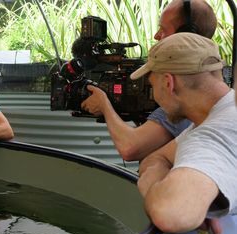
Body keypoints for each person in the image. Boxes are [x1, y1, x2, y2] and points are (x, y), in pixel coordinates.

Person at [131, 32, 237, 234]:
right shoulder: (218, 115)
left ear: (168, 83)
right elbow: (157, 158)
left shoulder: (212, 135)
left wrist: (151, 183)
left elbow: (171, 212)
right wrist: (205, 201)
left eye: (152, 85)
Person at [80, 0, 217, 162]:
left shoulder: (185, 95)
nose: (156, 35)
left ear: (185, 34)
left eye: (163, 29)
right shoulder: (207, 83)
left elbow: (130, 147)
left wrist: (104, 104)